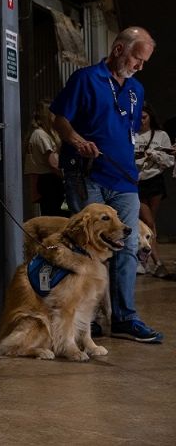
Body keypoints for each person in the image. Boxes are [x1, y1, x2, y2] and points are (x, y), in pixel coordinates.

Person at [51, 26, 163, 343]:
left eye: (144, 62)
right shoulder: (85, 79)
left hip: (124, 178)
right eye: (137, 58)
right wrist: (76, 140)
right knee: (87, 247)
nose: (139, 66)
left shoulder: (135, 89)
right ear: (118, 50)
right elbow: (59, 119)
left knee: (126, 247)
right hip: (87, 175)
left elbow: (124, 131)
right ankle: (86, 317)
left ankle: (125, 318)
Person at [134, 104, 172, 273]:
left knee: (150, 223)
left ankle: (145, 260)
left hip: (155, 180)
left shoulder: (161, 135)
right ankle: (156, 261)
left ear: (150, 117)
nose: (142, 121)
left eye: (144, 117)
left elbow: (169, 160)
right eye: (139, 117)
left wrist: (155, 155)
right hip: (137, 181)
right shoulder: (132, 135)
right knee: (147, 221)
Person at [24, 99, 65, 216]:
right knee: (55, 216)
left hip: (47, 180)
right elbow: (53, 163)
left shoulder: (42, 133)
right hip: (49, 180)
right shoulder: (40, 135)